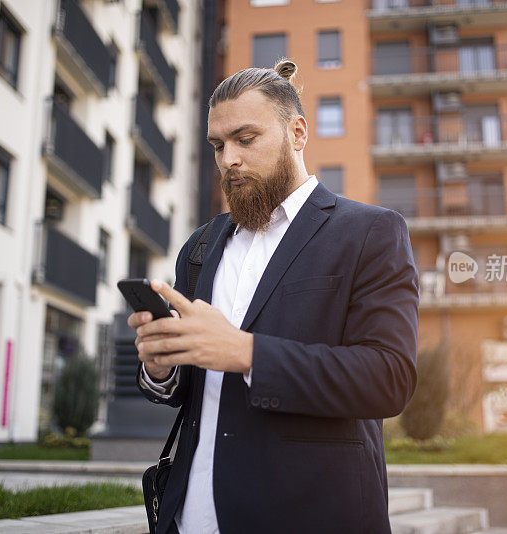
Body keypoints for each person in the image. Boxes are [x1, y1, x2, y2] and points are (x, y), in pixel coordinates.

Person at [128, 59, 419, 534]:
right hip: (190, 518)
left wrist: (245, 352)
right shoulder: (200, 246)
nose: (229, 160)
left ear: (298, 132)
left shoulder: (370, 232)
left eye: (246, 139)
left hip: (310, 515)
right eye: (219, 146)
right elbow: (191, 389)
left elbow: (388, 379)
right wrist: (161, 366)